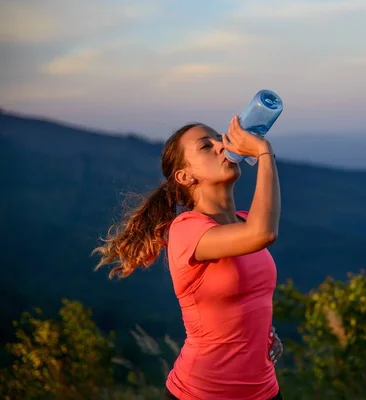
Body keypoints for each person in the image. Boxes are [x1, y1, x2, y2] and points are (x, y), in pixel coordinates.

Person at [93, 115, 284, 400]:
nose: (221, 146)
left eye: (219, 140)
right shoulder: (187, 231)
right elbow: (264, 232)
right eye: (206, 147)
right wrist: (263, 152)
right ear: (185, 176)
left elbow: (246, 298)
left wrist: (263, 333)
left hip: (265, 391)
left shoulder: (245, 222)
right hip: (201, 393)